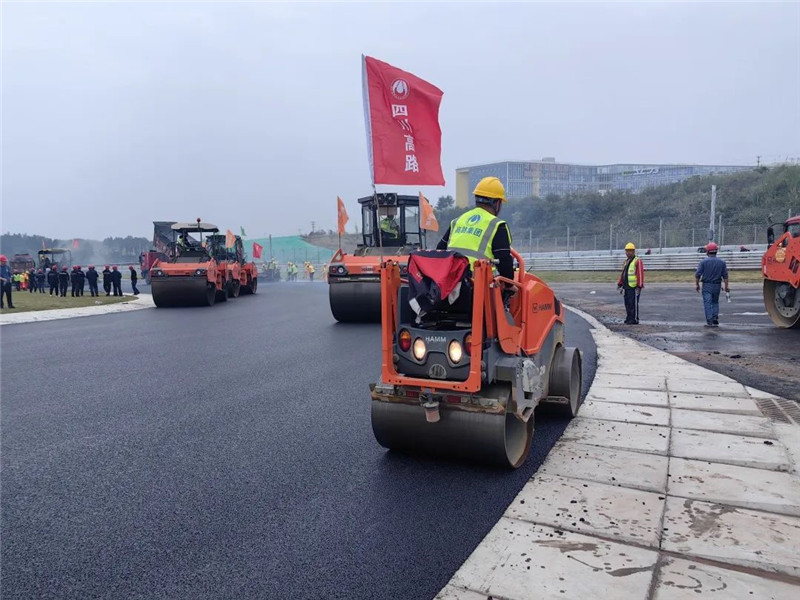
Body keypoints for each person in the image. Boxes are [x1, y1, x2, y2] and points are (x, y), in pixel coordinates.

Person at [437, 176, 514, 283]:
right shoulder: (497, 225)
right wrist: (510, 285)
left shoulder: (457, 221)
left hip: (450, 285)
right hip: (478, 287)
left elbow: (440, 250)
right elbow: (505, 263)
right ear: (496, 203)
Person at [695, 242, 729, 327]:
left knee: (707, 302)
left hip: (707, 285)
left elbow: (698, 274)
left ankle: (709, 320)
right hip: (717, 285)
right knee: (715, 301)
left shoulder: (703, 262)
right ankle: (715, 317)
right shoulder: (722, 262)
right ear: (716, 251)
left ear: (707, 252)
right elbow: (725, 276)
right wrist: (726, 286)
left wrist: (697, 284)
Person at [617, 242, 645, 324]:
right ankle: (629, 317)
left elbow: (640, 274)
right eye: (627, 251)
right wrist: (620, 283)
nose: (628, 253)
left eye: (630, 251)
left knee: (633, 303)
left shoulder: (637, 261)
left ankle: (634, 319)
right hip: (626, 286)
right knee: (627, 303)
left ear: (633, 251)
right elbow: (623, 273)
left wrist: (639, 286)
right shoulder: (626, 261)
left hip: (634, 287)